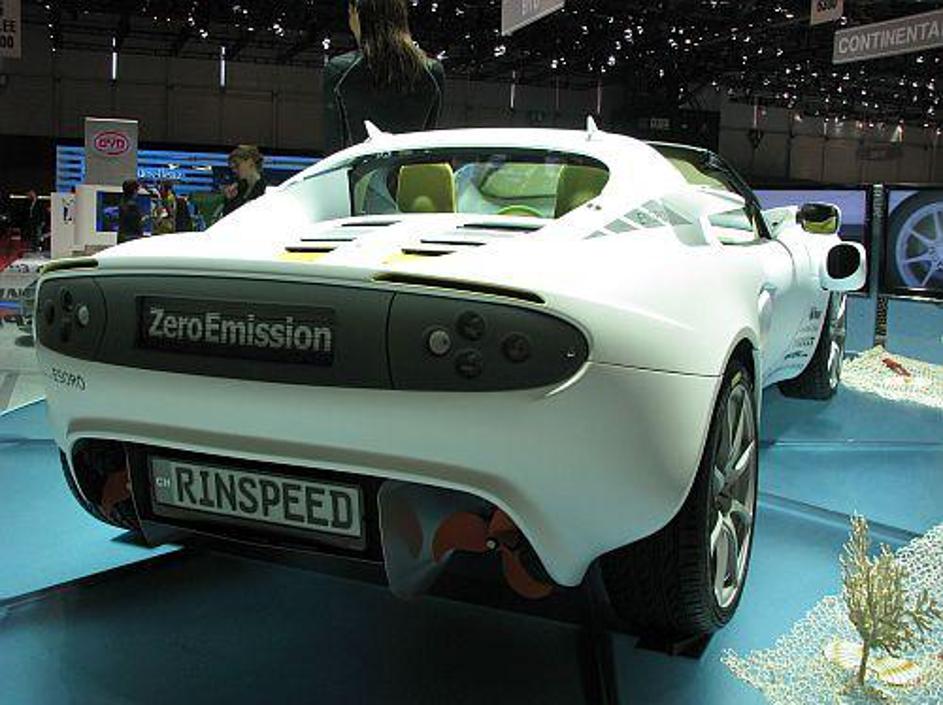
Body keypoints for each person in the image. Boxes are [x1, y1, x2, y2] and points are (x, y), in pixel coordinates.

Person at [323, 0, 445, 153]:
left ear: (357, 14)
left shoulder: (339, 70)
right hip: (414, 167)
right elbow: (428, 143)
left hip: (362, 167)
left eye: (349, 14)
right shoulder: (433, 71)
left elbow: (334, 146)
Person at [222, 145, 266, 217]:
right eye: (232, 168)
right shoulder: (239, 188)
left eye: (237, 165)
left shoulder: (265, 189)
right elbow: (227, 217)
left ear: (250, 162)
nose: (234, 170)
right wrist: (229, 200)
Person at [117, 179, 144, 244]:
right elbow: (136, 224)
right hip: (132, 238)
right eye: (137, 190)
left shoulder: (122, 202)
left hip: (122, 237)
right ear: (134, 191)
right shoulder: (132, 206)